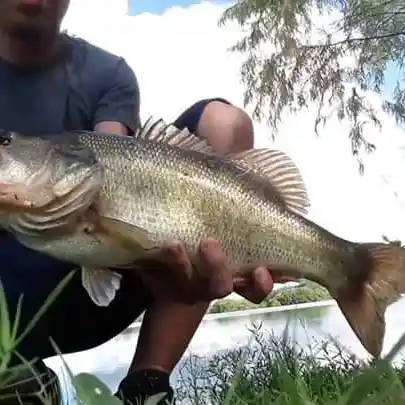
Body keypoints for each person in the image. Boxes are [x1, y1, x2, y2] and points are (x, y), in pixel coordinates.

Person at [0, 0, 277, 404]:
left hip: (100, 273)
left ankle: (146, 386)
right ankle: (16, 373)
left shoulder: (108, 74)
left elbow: (115, 156)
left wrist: (142, 241)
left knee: (223, 124)